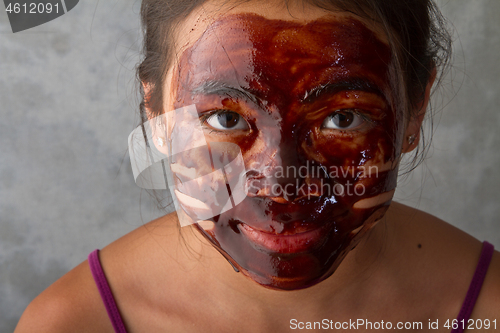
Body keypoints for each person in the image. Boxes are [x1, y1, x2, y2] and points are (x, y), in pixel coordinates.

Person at [15, 0, 500, 332]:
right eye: (225, 118)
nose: (280, 183)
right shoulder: (71, 324)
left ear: (416, 108)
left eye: (342, 117)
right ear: (156, 115)